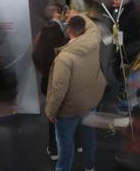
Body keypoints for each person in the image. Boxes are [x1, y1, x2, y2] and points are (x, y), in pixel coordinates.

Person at [46, 15, 107, 171]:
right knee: (89, 137)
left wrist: (51, 112)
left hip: (70, 110)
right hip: (91, 100)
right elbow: (92, 24)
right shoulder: (94, 36)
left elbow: (58, 90)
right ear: (84, 29)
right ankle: (90, 166)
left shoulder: (64, 58)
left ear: (68, 31)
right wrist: (78, 14)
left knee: (65, 143)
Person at [32, 5, 68, 161]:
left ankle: (54, 149)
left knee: (52, 117)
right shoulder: (61, 42)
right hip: (62, 85)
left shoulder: (41, 42)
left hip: (47, 85)